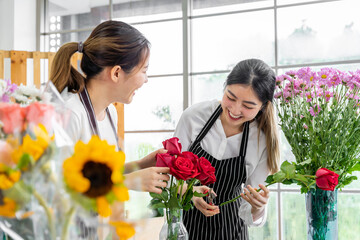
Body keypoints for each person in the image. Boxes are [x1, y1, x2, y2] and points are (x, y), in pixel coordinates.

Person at [50, 20, 170, 195]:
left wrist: (140, 165)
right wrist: (130, 181)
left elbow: (102, 175)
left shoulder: (110, 112)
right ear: (116, 73)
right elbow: (57, 185)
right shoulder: (69, 113)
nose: (146, 79)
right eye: (144, 71)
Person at [174, 59, 280, 239]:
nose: (235, 110)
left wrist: (257, 207)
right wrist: (189, 193)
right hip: (185, 231)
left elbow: (250, 213)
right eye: (230, 97)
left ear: (263, 107)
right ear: (224, 87)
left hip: (232, 232)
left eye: (248, 106)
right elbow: (169, 175)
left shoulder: (261, 140)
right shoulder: (194, 117)